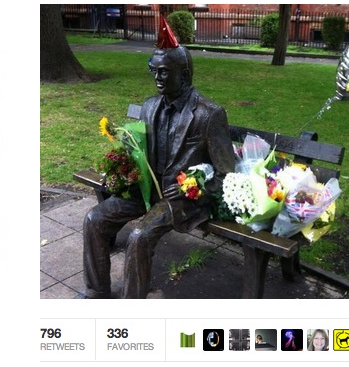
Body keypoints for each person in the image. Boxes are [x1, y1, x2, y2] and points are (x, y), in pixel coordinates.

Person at [80, 17, 235, 298]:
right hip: (146, 190)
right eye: (153, 70)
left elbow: (227, 175)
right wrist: (124, 168)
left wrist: (196, 186)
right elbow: (139, 149)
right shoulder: (150, 106)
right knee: (94, 218)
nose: (156, 77)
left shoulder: (209, 114)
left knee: (139, 236)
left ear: (184, 75)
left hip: (180, 200)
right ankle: (95, 292)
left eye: (164, 72)